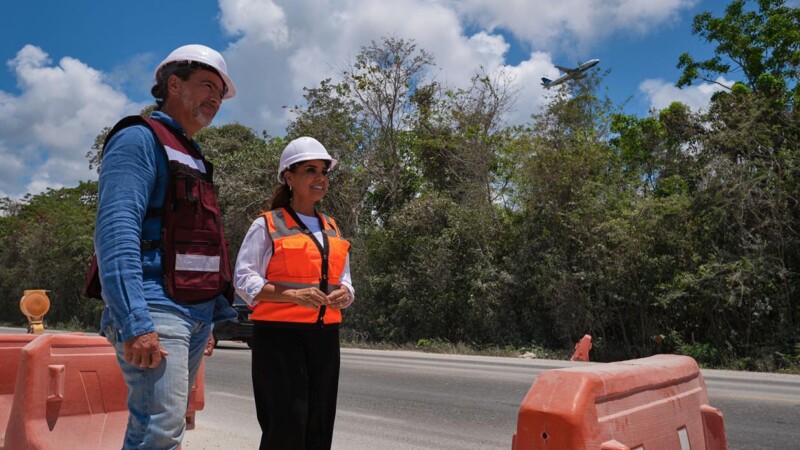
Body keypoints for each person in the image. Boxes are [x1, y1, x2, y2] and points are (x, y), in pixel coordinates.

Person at [92, 44, 237, 449]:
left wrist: (212, 312)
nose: (215, 98)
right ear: (173, 84)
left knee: (165, 431)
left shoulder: (192, 154)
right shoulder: (139, 139)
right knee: (158, 432)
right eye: (208, 85)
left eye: (220, 94)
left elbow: (203, 242)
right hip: (156, 309)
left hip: (193, 312)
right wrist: (134, 320)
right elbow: (116, 231)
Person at [234, 136, 355, 449]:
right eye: (310, 170)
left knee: (319, 425)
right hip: (279, 339)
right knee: (286, 426)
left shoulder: (332, 226)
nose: (320, 178)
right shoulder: (268, 224)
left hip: (325, 337)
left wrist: (346, 293)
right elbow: (244, 279)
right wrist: (292, 296)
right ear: (289, 177)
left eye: (324, 172)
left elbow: (345, 278)